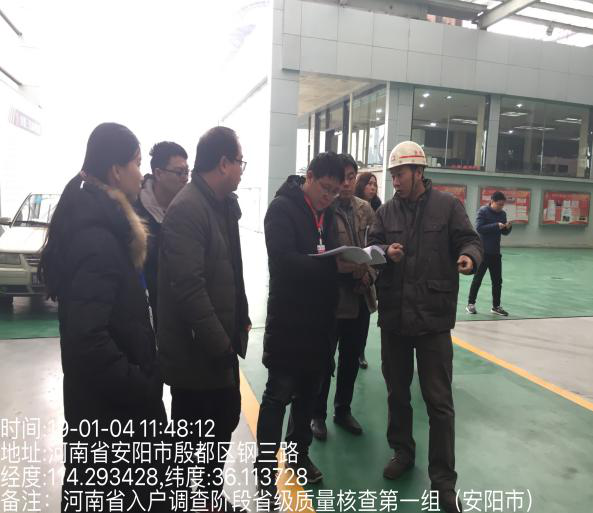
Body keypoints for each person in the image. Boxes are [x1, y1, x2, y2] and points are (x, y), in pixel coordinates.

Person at [38, 122, 167, 512]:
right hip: (113, 414)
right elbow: (87, 340)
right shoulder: (97, 238)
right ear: (115, 170)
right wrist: (141, 384)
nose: (141, 174)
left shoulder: (98, 223)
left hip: (106, 409)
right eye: (136, 163)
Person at [368, 141, 482, 513]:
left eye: (400, 174)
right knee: (397, 393)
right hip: (395, 320)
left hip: (433, 320)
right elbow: (372, 248)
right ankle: (402, 452)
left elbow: (469, 239)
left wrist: (468, 257)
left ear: (419, 172)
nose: (395, 181)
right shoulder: (385, 212)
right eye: (392, 175)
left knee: (439, 403)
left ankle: (443, 482)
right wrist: (386, 254)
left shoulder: (448, 207)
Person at [157, 126, 250, 511]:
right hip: (197, 354)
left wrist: (241, 318)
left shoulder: (222, 204)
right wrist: (221, 344)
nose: (242, 169)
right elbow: (189, 289)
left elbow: (231, 269)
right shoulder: (188, 209)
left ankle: (209, 499)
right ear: (223, 163)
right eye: (240, 161)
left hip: (219, 346)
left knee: (222, 424)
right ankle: (187, 502)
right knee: (193, 440)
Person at [255, 152, 346, 496]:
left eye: (335, 191)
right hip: (289, 320)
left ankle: (298, 456)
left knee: (308, 393)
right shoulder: (282, 209)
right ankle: (265, 468)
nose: (329, 196)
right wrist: (330, 267)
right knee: (278, 395)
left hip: (320, 322)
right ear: (309, 177)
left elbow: (331, 252)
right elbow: (283, 261)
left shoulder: (328, 213)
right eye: (325, 188)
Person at [311, 153, 376, 440]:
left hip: (361, 296)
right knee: (325, 360)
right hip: (334, 299)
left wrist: (369, 274)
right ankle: (317, 414)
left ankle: (343, 410)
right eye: (343, 178)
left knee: (351, 358)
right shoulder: (325, 209)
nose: (347, 184)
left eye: (352, 177)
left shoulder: (365, 209)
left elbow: (376, 246)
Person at [135, 141, 189, 328]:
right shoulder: (135, 211)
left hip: (183, 307)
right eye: (179, 172)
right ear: (158, 173)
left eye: (187, 172)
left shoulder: (190, 209)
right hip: (147, 310)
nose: (185, 178)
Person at [466, 191, 512, 316]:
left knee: (497, 281)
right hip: (482, 252)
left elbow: (503, 232)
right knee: (478, 279)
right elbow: (479, 228)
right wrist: (496, 225)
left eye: (502, 205)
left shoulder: (502, 214)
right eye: (499, 204)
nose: (501, 207)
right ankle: (470, 304)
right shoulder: (483, 211)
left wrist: (507, 228)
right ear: (492, 201)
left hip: (495, 253)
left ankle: (496, 306)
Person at [354, 170, 382, 369]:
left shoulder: (379, 210)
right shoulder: (352, 208)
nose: (372, 187)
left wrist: (371, 273)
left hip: (370, 271)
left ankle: (360, 352)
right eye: (369, 184)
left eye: (375, 184)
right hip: (352, 267)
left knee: (364, 315)